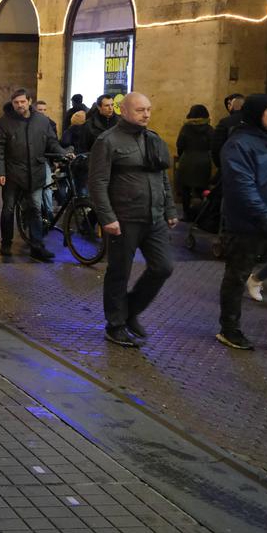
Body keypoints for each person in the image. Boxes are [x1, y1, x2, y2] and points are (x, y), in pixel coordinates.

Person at [87, 92, 177, 348]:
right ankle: (115, 325)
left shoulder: (153, 139)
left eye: (148, 109)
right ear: (124, 111)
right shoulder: (107, 141)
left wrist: (169, 209)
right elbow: (97, 182)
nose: (146, 114)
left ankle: (130, 311)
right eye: (140, 110)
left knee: (163, 267)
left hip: (154, 218)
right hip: (124, 219)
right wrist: (107, 217)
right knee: (119, 272)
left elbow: (162, 177)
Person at [215, 95, 267, 354]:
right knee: (237, 277)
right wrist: (263, 217)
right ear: (256, 114)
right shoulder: (238, 144)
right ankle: (229, 329)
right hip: (249, 226)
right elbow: (242, 187)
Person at [0, 89, 67, 261]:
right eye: (16, 102)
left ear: (29, 101)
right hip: (12, 173)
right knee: (8, 209)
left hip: (35, 172)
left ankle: (37, 246)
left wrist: (62, 153)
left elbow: (51, 142)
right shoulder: (4, 122)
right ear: (12, 103)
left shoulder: (42, 120)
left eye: (22, 101)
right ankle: (6, 243)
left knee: (35, 209)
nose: (20, 105)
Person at [175, 104, 213, 219]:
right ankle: (202, 215)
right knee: (202, 189)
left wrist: (182, 155)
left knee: (186, 189)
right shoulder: (209, 129)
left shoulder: (186, 128)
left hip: (187, 159)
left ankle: (187, 214)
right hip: (204, 160)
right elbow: (213, 145)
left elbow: (179, 144)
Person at [211, 93, 246, 169]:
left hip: (229, 165)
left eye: (229, 104)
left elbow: (217, 147)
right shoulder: (253, 121)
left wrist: (220, 165)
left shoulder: (225, 122)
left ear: (231, 105)